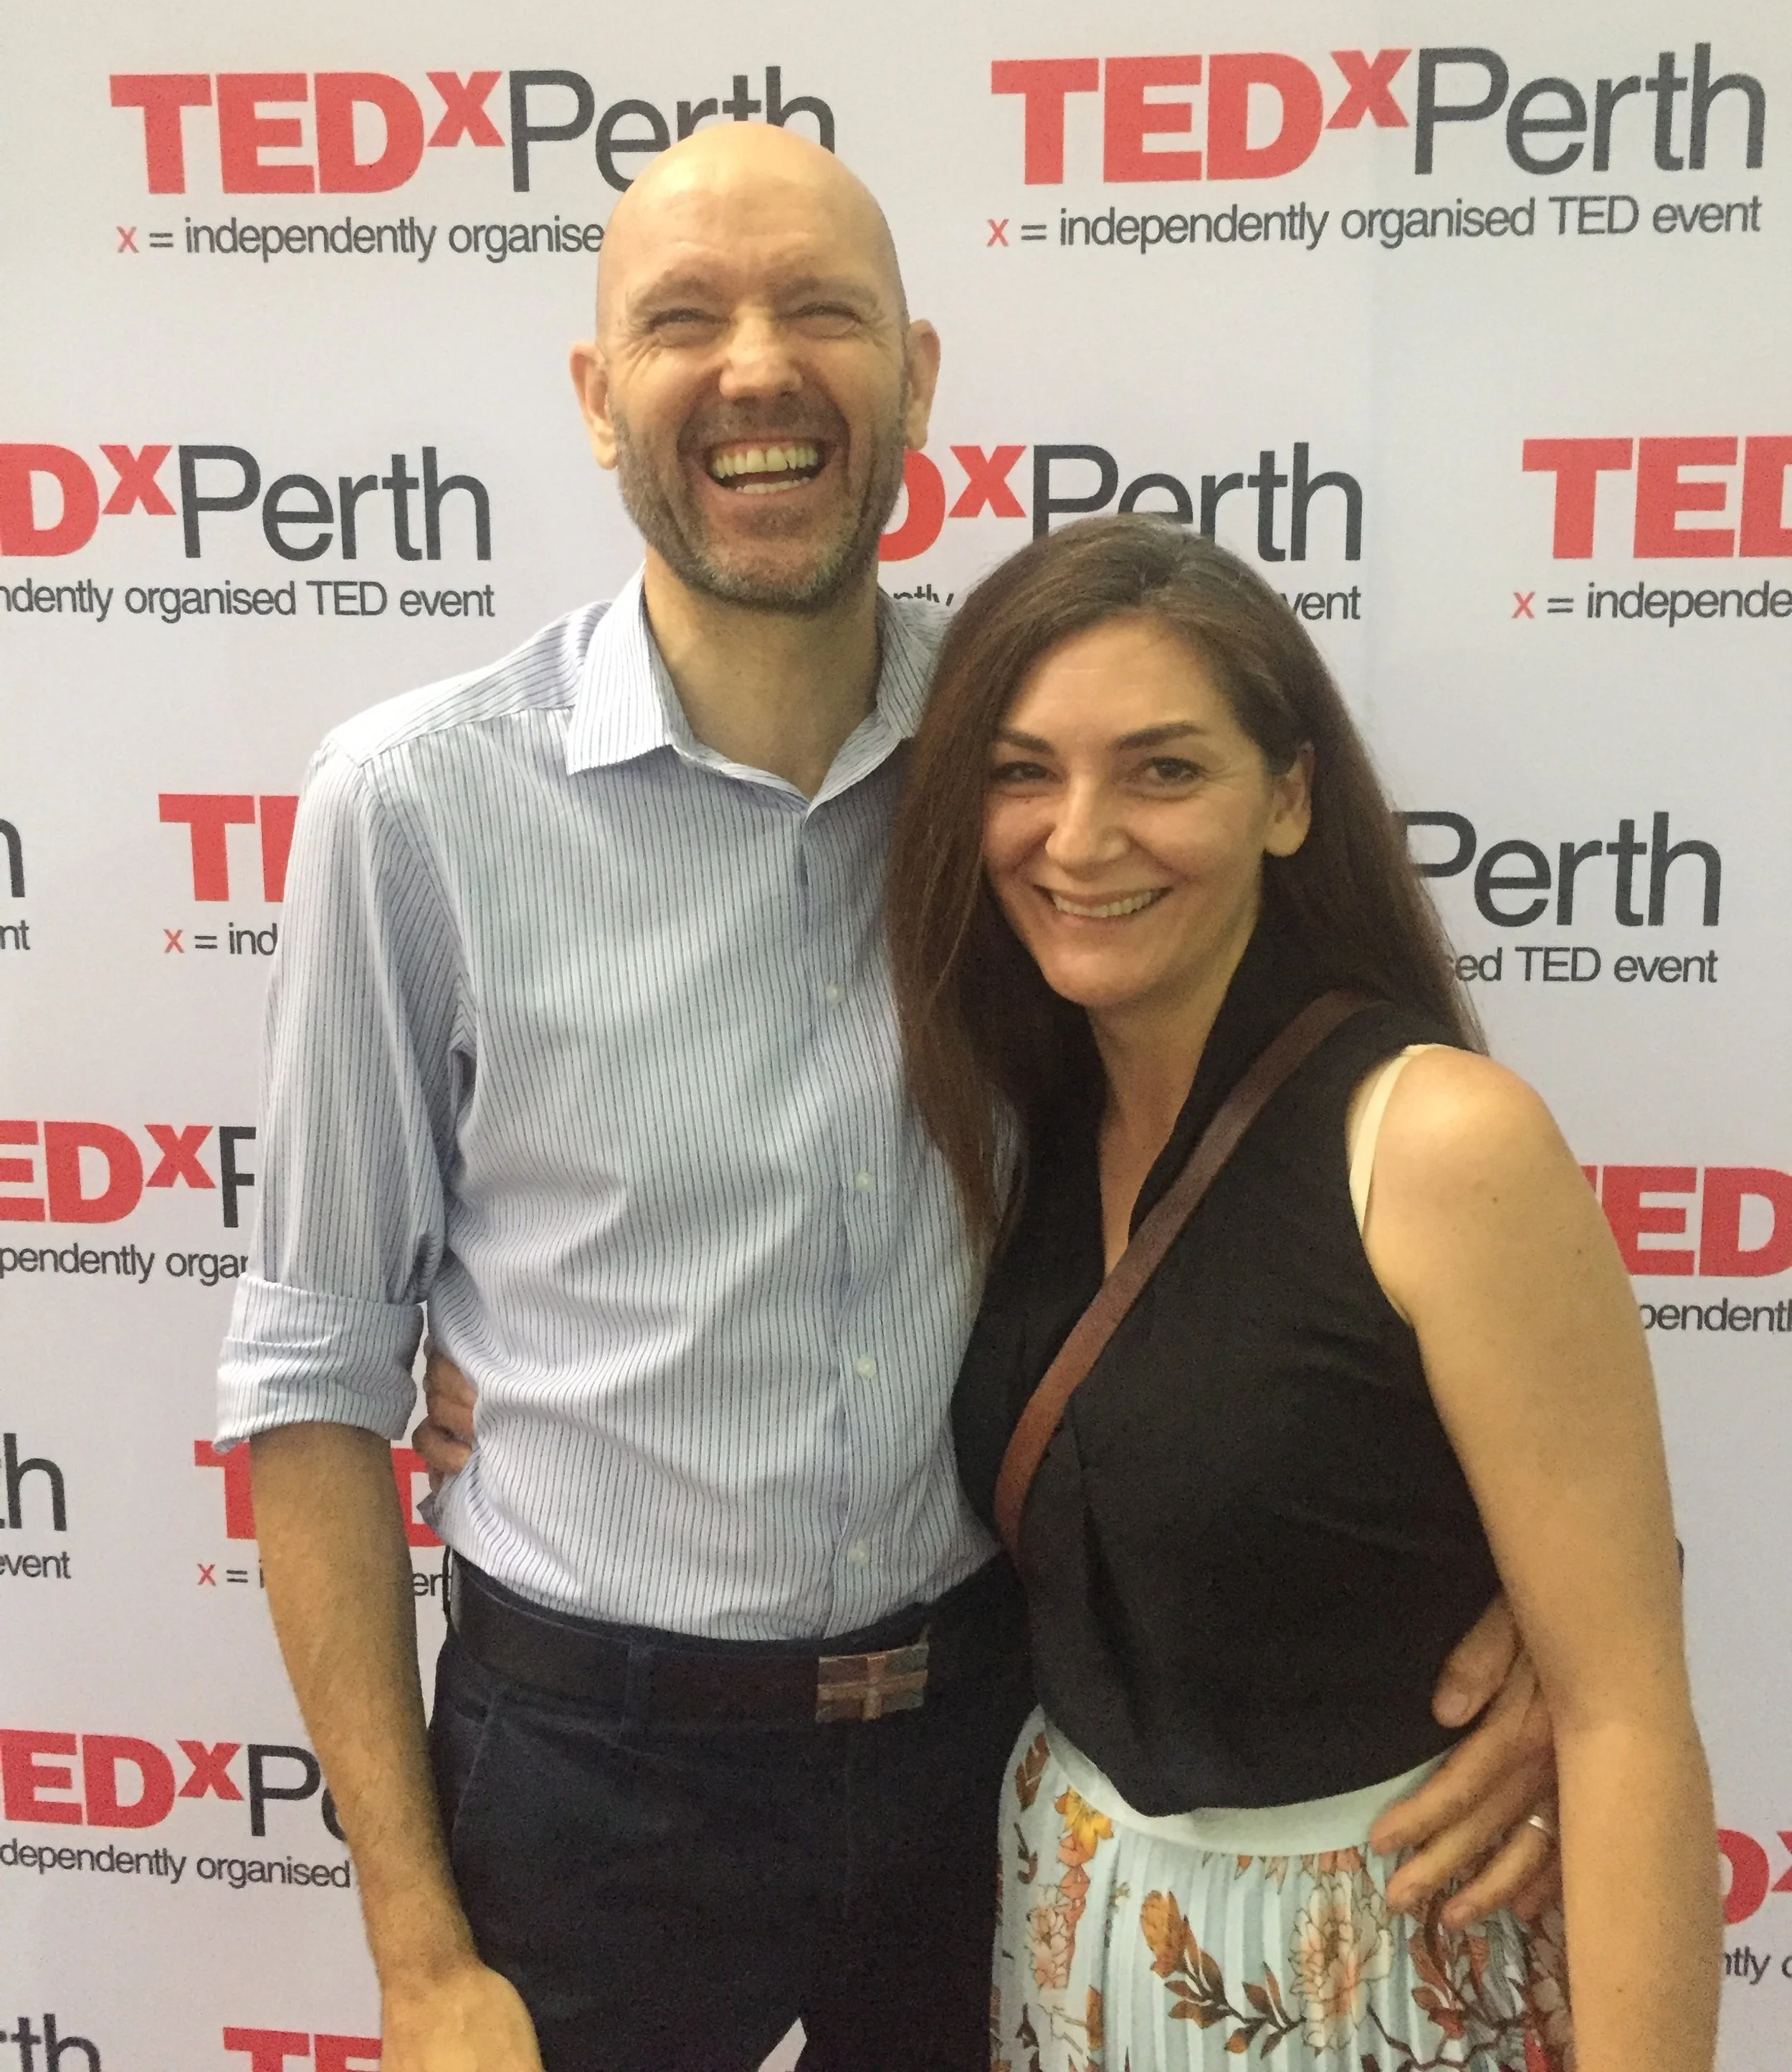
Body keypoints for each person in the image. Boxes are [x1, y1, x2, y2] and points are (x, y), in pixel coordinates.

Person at [221, 123, 1560, 2072]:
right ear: (598, 401)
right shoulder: (413, 806)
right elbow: (313, 1364)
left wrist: (1546, 1601)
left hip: (989, 1740)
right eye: (682, 319)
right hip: (587, 1779)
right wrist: (418, 1952)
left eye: (820, 310)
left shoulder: (1039, 780)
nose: (755, 365)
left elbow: (1319, 1173)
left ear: (916, 376)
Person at [880, 517, 1719, 2072]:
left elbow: (1622, 1721)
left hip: (1381, 1967)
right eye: (1019, 772)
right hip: (1069, 1941)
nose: (1077, 836)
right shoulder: (1020, 1109)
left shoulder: (1433, 1137)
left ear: (1286, 797)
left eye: (1161, 770)